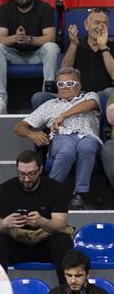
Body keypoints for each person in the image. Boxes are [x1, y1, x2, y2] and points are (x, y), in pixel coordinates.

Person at [12, 68, 101, 210]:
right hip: (62, 137)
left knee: (87, 147)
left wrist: (63, 116)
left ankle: (79, 194)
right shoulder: (49, 105)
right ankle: (48, 193)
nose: (65, 87)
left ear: (79, 85)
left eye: (70, 83)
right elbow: (19, 127)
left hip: (88, 136)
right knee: (67, 150)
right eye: (61, 84)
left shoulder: (89, 97)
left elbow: (91, 104)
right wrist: (33, 135)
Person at [0, 151, 75, 284]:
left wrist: (42, 222)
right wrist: (5, 224)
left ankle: (66, 291)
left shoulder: (55, 188)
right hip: (16, 243)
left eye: (31, 173)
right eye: (22, 174)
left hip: (45, 244)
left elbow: (61, 225)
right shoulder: (5, 189)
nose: (26, 179)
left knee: (63, 240)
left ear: (40, 170)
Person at [0, 0, 60, 116]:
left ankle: (48, 99)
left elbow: (50, 37)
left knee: (52, 48)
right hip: (14, 54)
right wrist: (16, 38)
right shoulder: (5, 9)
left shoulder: (44, 8)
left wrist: (28, 39)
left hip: (37, 54)